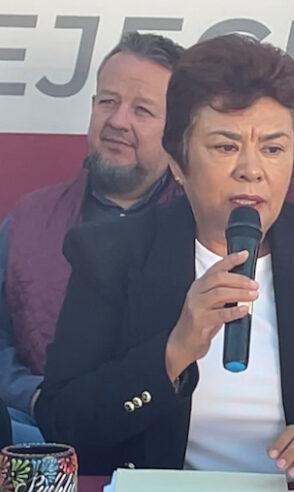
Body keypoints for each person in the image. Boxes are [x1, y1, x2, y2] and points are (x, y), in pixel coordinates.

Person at [35, 34, 294, 484]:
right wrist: (173, 352)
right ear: (177, 163)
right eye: (225, 146)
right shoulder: (111, 254)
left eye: (273, 149)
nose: (251, 169)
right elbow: (61, 421)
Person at [0, 32, 183, 443]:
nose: (118, 121)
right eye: (108, 102)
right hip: (36, 438)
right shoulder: (29, 218)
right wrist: (34, 396)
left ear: (177, 132)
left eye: (142, 110)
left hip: (164, 446)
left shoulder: (202, 229)